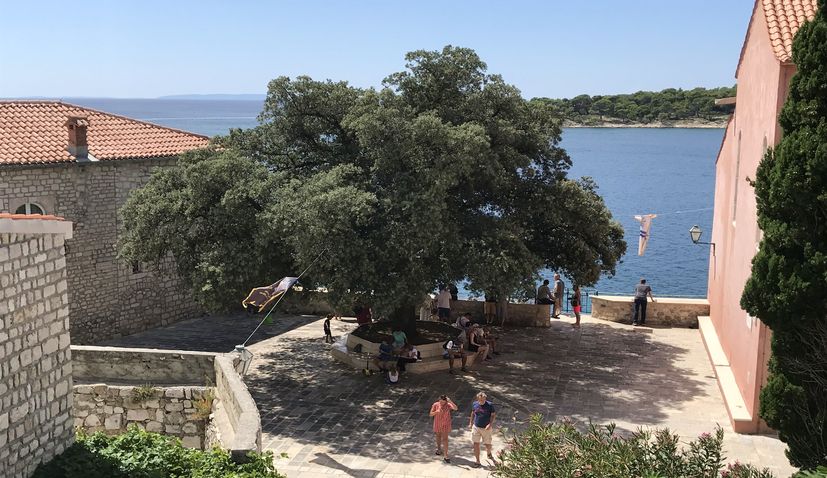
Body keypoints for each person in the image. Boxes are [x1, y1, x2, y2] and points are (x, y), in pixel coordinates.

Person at [469, 392, 496, 468]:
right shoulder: (475, 404)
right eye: (479, 400)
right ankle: (477, 461)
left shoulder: (490, 405)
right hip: (476, 427)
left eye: (482, 399)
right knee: (476, 443)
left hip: (486, 428)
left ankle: (489, 453)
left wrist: (490, 424)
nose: (481, 401)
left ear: (485, 398)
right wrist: (470, 423)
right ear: (477, 399)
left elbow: (493, 415)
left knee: (487, 444)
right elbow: (472, 413)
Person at [430, 395, 458, 463]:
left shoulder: (448, 405)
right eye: (441, 401)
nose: (442, 403)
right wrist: (436, 412)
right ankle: (439, 449)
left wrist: (450, 401)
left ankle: (446, 455)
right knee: (438, 436)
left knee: (445, 439)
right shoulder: (435, 404)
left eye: (443, 402)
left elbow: (456, 408)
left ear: (446, 401)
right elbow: (431, 414)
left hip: (446, 424)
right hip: (437, 423)